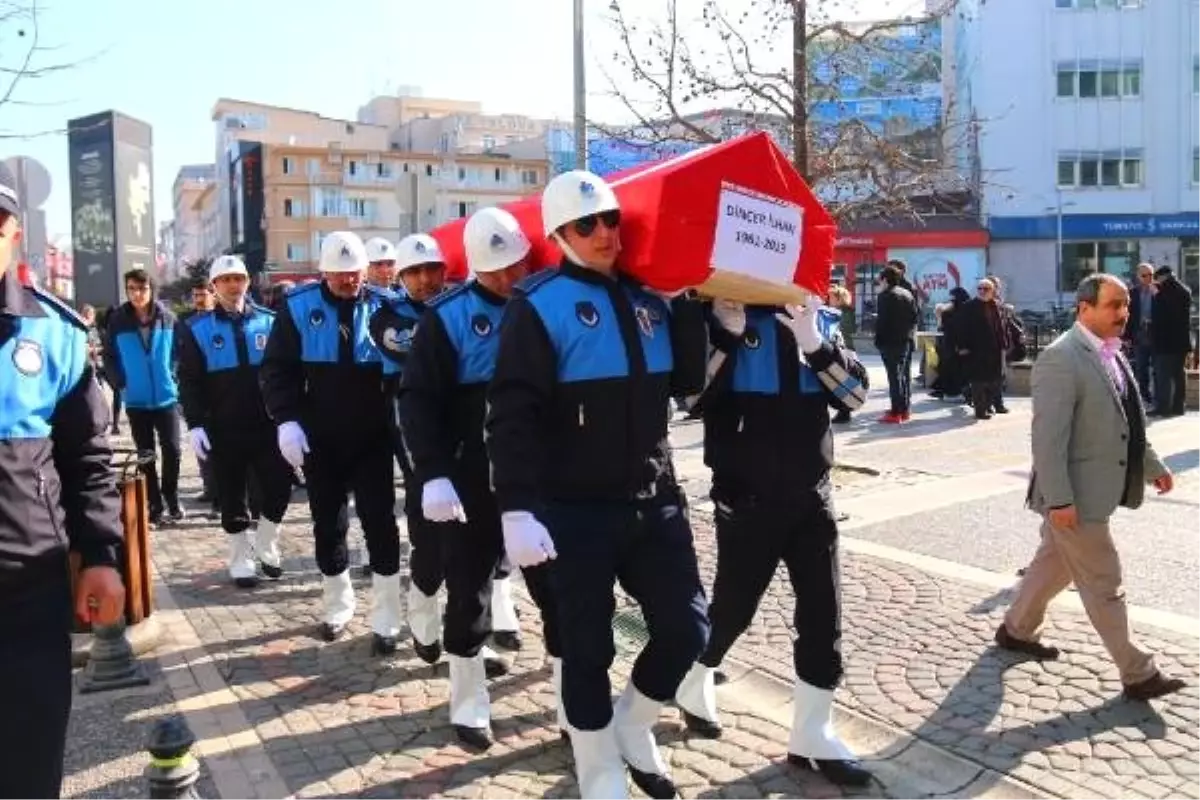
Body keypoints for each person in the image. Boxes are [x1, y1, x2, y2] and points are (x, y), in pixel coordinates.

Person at [486, 170, 709, 798]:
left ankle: (634, 725)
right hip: (573, 507)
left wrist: (696, 308)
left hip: (652, 494)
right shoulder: (537, 304)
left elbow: (686, 385)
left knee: (688, 628)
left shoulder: (649, 297)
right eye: (588, 224)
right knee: (586, 646)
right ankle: (597, 764)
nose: (606, 232)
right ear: (561, 234)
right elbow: (511, 415)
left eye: (611, 219)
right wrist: (518, 508)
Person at [673, 294, 869, 786]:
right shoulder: (717, 313)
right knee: (733, 608)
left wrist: (817, 344)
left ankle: (812, 734)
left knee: (824, 616)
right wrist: (724, 335)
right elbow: (691, 398)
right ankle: (693, 675)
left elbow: (853, 396)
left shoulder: (814, 313)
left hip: (811, 493)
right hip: (747, 497)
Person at [399, 206, 563, 748]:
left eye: (517, 264)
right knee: (467, 588)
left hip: (539, 471)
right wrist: (433, 475)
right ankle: (467, 699)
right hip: (471, 473)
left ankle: (570, 697)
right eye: (498, 271)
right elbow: (418, 402)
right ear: (474, 269)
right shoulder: (446, 318)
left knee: (558, 588)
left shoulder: (544, 302)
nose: (511, 278)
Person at [0, 163, 126, 799]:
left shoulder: (56, 334)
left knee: (28, 762)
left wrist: (102, 555)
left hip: (29, 590)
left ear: (14, 232)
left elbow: (88, 458)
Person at [999, 273, 1185, 701]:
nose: (1124, 313)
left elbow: (1127, 422)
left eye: (1126, 305)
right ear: (1084, 308)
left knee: (1053, 565)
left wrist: (1152, 464)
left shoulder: (1109, 351)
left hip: (1091, 492)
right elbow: (1048, 440)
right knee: (1104, 580)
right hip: (1076, 498)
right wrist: (1060, 499)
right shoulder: (1061, 358)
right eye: (1113, 305)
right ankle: (1137, 672)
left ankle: (1016, 630)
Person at [260, 231, 402, 655]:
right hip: (320, 437)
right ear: (324, 272)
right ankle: (338, 603)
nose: (349, 281)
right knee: (328, 521)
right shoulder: (299, 309)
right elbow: (277, 369)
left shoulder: (384, 306)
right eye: (339, 274)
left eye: (355, 273)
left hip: (374, 436)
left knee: (380, 522)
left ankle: (388, 613)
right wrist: (286, 421)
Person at [177, 255, 292, 589]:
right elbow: (189, 379)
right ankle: (241, 555)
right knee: (231, 493)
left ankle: (267, 538)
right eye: (225, 279)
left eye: (238, 278)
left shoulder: (270, 322)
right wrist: (195, 423)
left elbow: (285, 371)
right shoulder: (195, 329)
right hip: (223, 426)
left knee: (279, 487)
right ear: (214, 286)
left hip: (268, 424)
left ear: (248, 282)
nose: (232, 285)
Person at [104, 268, 184, 524]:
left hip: (166, 397)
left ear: (151, 289)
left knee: (173, 450)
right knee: (145, 454)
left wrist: (173, 376)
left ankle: (171, 496)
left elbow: (180, 353)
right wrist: (120, 383)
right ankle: (154, 502)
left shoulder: (168, 318)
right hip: (136, 400)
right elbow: (109, 357)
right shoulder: (117, 320)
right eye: (132, 289)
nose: (137, 294)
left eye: (142, 288)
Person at [177, 278, 220, 511]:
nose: (198, 300)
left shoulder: (220, 319)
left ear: (212, 294)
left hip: (221, 392)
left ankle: (222, 494)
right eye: (195, 296)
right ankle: (210, 488)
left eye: (202, 295)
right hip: (198, 392)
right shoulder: (187, 323)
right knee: (202, 444)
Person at [957, 277, 1011, 420]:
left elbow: (1003, 327)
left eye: (985, 289)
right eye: (979, 289)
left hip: (994, 348)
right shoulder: (969, 306)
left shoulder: (997, 306)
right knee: (978, 380)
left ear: (993, 291)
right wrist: (962, 346)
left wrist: (1005, 343)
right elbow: (962, 328)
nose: (982, 291)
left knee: (994, 378)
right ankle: (980, 410)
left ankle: (991, 405)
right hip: (976, 349)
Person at [874, 264, 918, 424]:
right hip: (905, 340)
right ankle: (904, 408)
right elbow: (915, 318)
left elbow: (882, 322)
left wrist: (878, 341)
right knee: (903, 376)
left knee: (894, 377)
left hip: (889, 341)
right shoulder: (907, 293)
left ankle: (896, 411)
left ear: (885, 279)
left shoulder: (885, 296)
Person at [1150, 265, 1192, 417]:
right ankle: (1178, 407)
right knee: (1178, 375)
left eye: (1158, 278)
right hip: (1181, 342)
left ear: (1163, 277)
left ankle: (1164, 408)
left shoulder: (1164, 292)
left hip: (1166, 341)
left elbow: (1167, 314)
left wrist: (1157, 296)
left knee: (1163, 376)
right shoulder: (1184, 290)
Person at [1124, 263, 1156, 405]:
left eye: (1151, 275)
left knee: (1157, 368)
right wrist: (1126, 337)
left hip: (1156, 335)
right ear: (1138, 276)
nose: (1148, 278)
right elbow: (1128, 316)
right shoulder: (1132, 293)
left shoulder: (1158, 291)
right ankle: (1144, 395)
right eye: (1144, 275)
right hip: (1139, 335)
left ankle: (1158, 397)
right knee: (1141, 368)